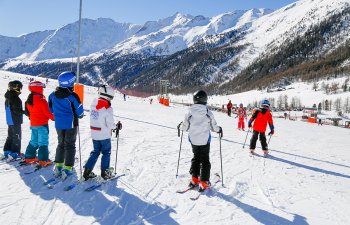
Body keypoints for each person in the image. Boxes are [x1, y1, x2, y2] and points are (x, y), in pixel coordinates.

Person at [180, 90, 222, 192]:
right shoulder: (208, 113)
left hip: (193, 140)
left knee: (196, 158)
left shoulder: (189, 113)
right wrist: (219, 129)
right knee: (205, 160)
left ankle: (195, 178)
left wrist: (181, 126)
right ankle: (204, 182)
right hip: (204, 141)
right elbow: (214, 127)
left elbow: (185, 127)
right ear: (205, 100)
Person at [48, 71, 84, 178]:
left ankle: (59, 165)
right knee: (69, 145)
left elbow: (50, 108)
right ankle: (68, 167)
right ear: (70, 83)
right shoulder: (72, 96)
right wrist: (80, 115)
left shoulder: (52, 95)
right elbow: (80, 111)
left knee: (61, 143)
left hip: (59, 124)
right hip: (71, 124)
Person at [83, 85, 121, 180]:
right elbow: (110, 124)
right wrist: (116, 126)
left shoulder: (93, 105)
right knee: (106, 153)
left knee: (95, 152)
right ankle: (105, 172)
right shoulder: (107, 108)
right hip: (104, 135)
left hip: (94, 133)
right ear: (108, 97)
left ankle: (87, 171)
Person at [23, 81, 54, 166]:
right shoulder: (41, 100)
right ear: (38, 88)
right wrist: (54, 118)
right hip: (42, 125)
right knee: (43, 142)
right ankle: (43, 160)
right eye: (42, 88)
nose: (42, 90)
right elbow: (47, 113)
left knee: (34, 141)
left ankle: (29, 157)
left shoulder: (29, 100)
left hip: (33, 124)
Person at [3, 80, 25, 160]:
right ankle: (15, 153)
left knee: (10, 136)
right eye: (19, 88)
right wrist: (25, 112)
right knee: (17, 136)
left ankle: (7, 151)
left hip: (10, 120)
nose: (20, 90)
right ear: (14, 88)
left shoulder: (8, 96)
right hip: (15, 120)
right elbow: (16, 110)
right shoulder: (14, 98)